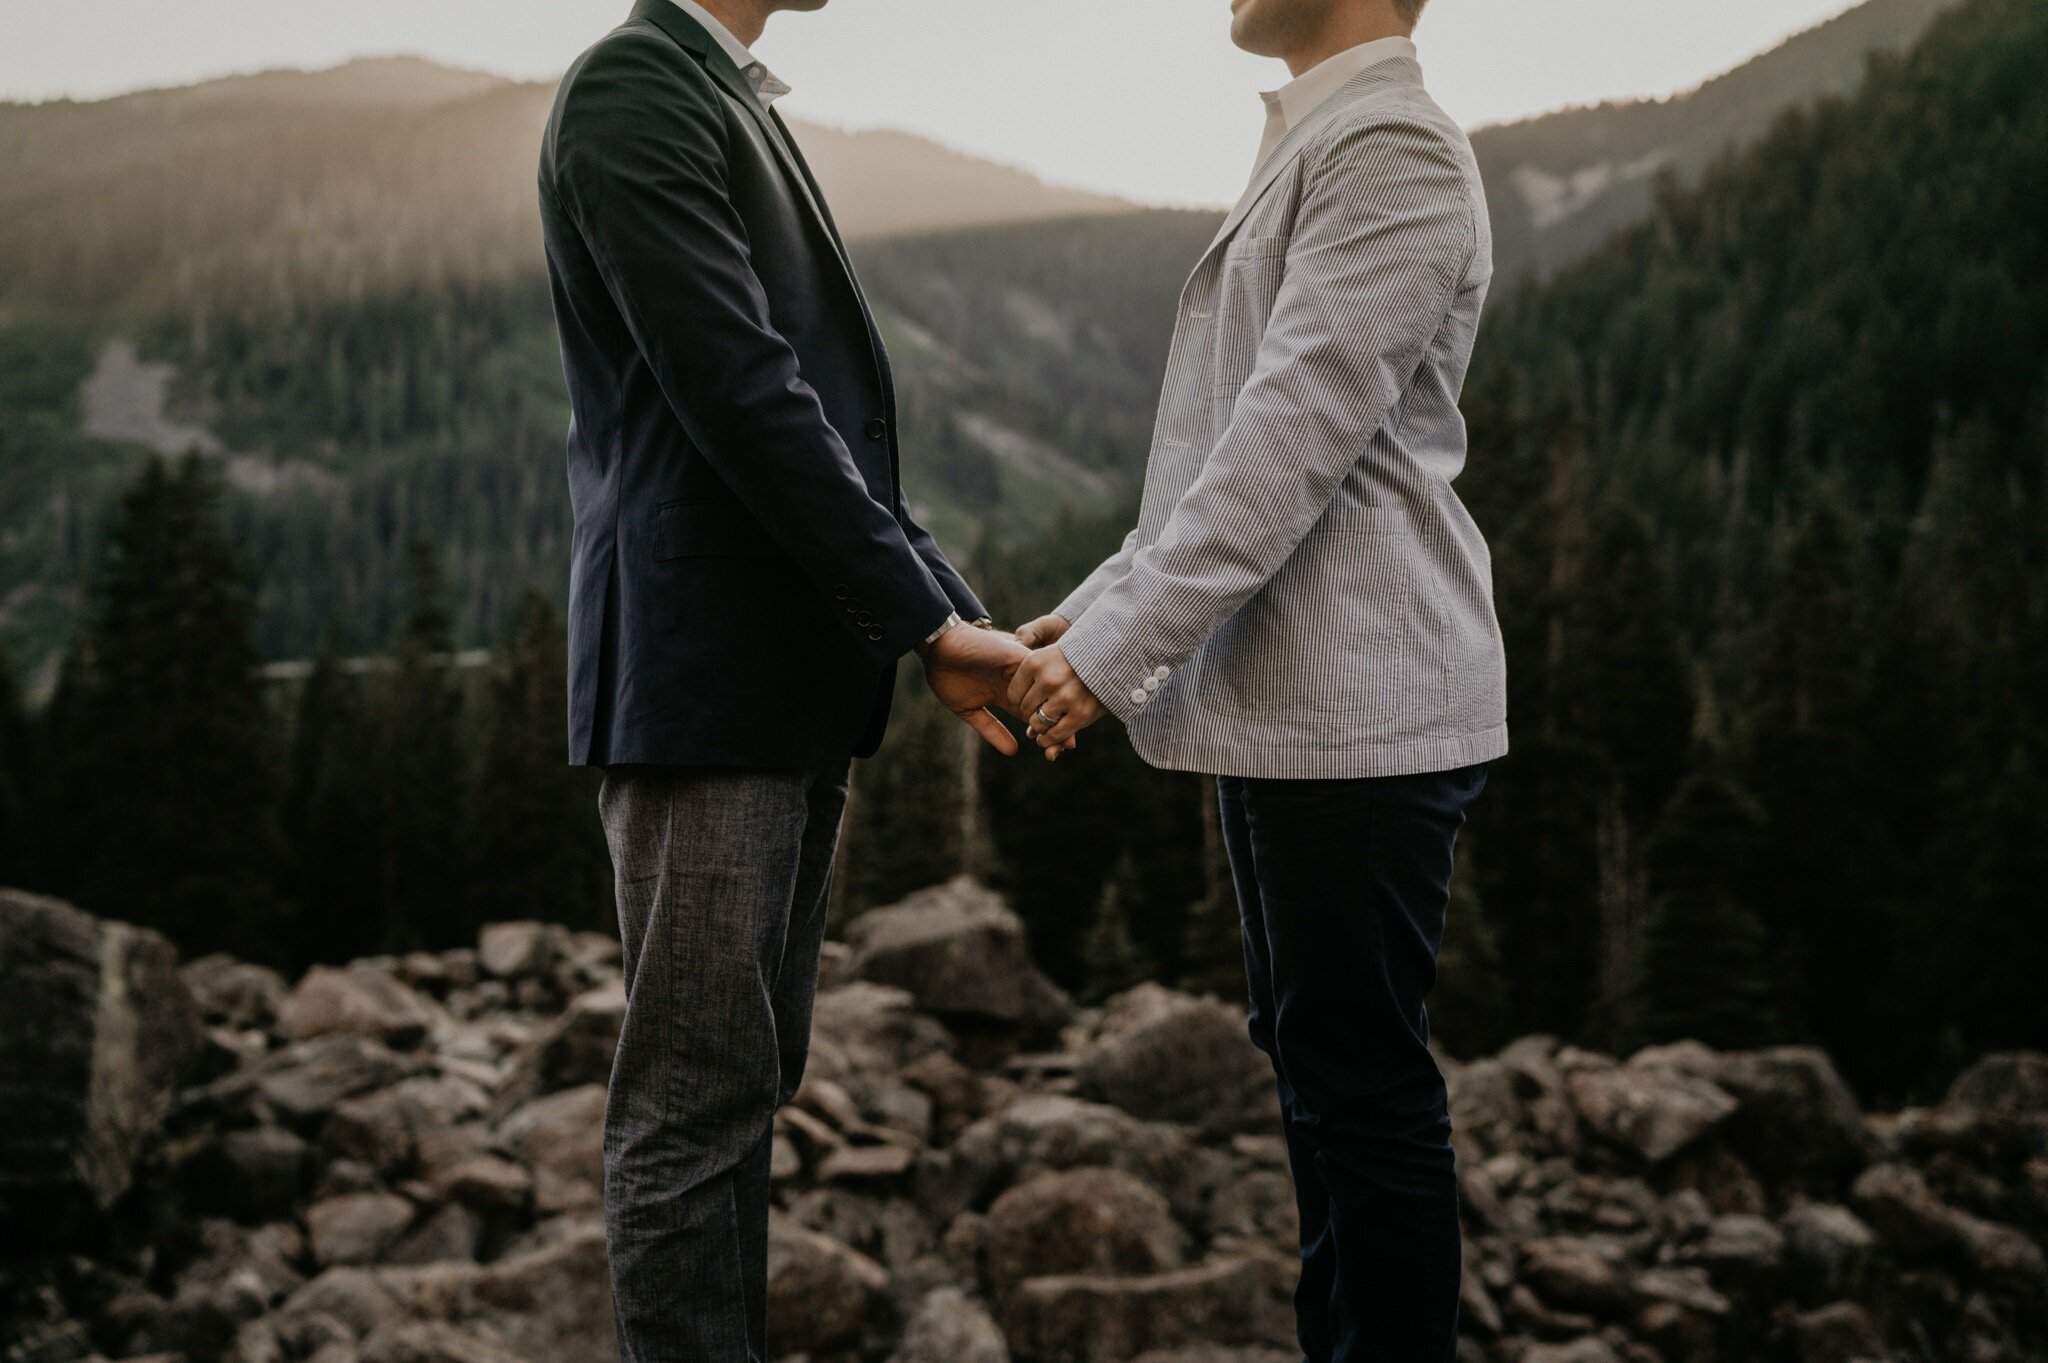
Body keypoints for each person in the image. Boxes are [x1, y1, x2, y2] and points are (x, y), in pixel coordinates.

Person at [1008, 0, 1506, 1357]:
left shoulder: (1391, 144)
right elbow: (1223, 446)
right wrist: (1095, 609)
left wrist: (1122, 650)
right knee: (1320, 1079)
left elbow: (1294, 434)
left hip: (1364, 707)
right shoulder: (1329, 130)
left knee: (1360, 1095)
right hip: (1304, 704)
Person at [536, 1, 1025, 1357]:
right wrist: (928, 632)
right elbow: (741, 390)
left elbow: (815, 415)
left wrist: (954, 619)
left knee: (742, 1088)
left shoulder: (724, 90)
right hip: (703, 680)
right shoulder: (636, 86)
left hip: (776, 680)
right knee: (692, 1111)